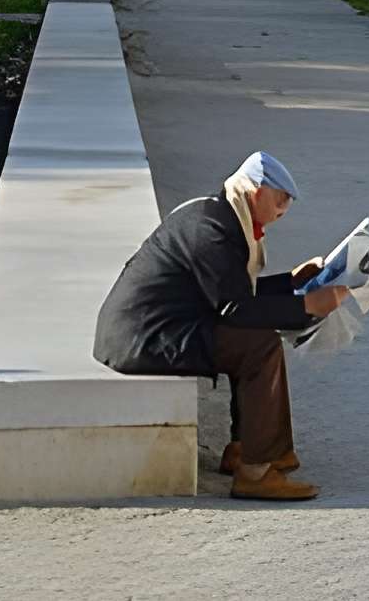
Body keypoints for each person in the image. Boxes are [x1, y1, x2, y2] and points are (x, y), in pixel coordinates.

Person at [93, 149, 345, 501]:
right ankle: (254, 473)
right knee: (257, 345)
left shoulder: (219, 216)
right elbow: (236, 307)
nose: (284, 209)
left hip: (155, 328)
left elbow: (232, 291)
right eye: (281, 200)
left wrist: (290, 282)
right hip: (145, 338)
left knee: (254, 336)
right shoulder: (213, 229)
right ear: (256, 193)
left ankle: (247, 447)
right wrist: (306, 306)